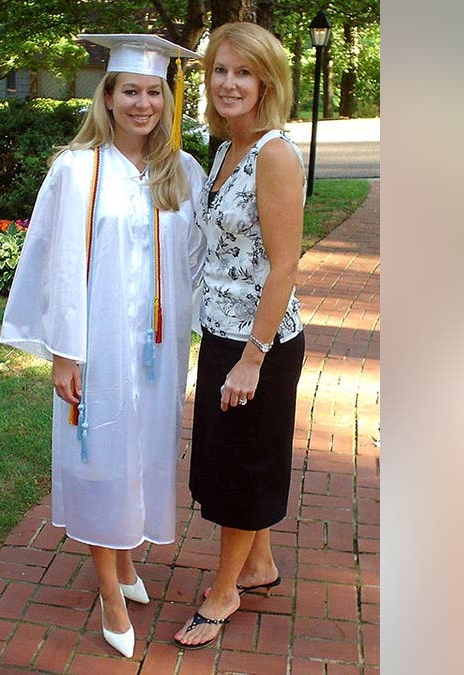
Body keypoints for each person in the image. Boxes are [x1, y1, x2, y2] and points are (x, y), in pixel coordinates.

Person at [0, 33, 205, 659]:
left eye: (154, 92)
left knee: (141, 455)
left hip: (160, 349)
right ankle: (110, 593)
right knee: (98, 458)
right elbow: (57, 263)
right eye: (130, 91)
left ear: (165, 100)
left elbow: (197, 261)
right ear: (108, 97)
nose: (143, 103)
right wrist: (66, 351)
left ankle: (122, 564)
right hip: (99, 345)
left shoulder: (184, 171)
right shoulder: (76, 169)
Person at [172, 22, 307, 650]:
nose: (229, 83)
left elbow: (284, 265)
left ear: (267, 83)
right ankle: (259, 566)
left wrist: (253, 357)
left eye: (243, 73)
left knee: (237, 466)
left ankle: (223, 592)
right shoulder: (225, 146)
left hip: (263, 343)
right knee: (235, 456)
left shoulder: (273, 153)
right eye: (220, 70)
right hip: (224, 333)